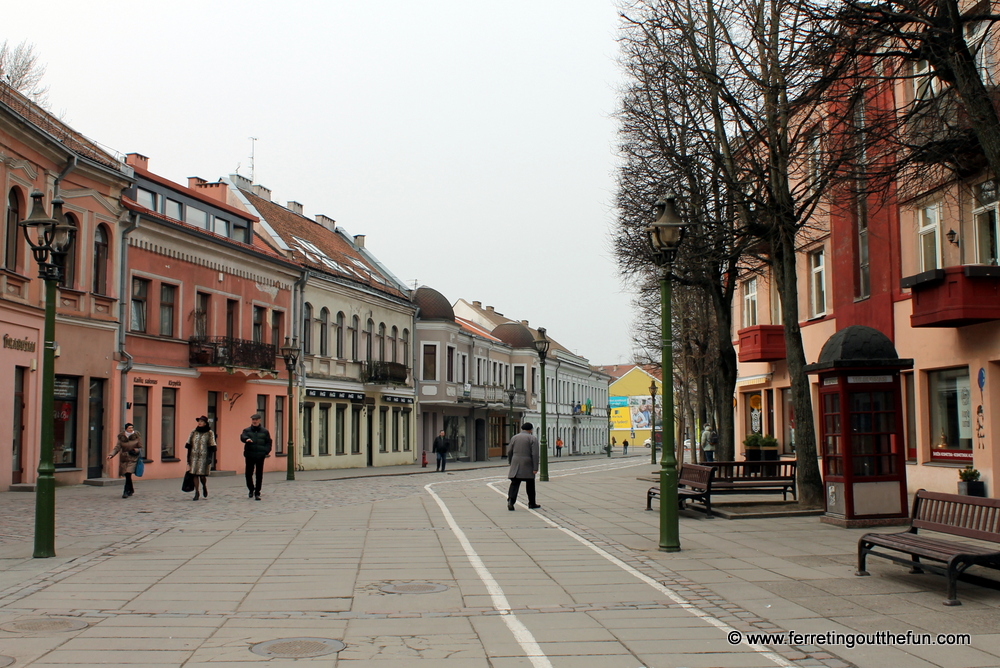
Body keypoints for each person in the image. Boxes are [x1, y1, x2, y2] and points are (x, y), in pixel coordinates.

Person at [507, 423, 540, 510]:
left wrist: (511, 462)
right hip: (527, 464)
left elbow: (509, 451)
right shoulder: (532, 438)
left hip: (516, 462)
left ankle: (511, 501)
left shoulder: (514, 437)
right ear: (531, 430)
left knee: (514, 484)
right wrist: (535, 467)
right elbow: (535, 454)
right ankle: (532, 503)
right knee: (530, 485)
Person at [242, 413, 272, 500]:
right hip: (249, 454)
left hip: (260, 455)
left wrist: (266, 451)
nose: (254, 421)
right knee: (248, 474)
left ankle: (257, 492)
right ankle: (251, 489)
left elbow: (268, 442)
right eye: (253, 420)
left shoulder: (264, 431)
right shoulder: (247, 430)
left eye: (256, 420)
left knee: (259, 474)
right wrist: (246, 439)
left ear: (259, 420)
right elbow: (243, 436)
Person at [185, 416, 216, 501]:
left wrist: (210, 457)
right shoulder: (194, 432)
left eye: (202, 421)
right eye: (199, 421)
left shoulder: (209, 433)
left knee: (202, 475)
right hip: (194, 456)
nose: (199, 422)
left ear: (205, 423)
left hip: (204, 456)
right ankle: (196, 492)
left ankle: (204, 486)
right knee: (194, 474)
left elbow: (211, 446)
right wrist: (188, 458)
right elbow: (189, 445)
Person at [108, 422, 142, 499]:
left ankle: (125, 491)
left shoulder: (136, 437)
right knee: (127, 475)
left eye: (132, 428)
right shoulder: (122, 438)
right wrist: (111, 455)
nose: (131, 429)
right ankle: (131, 489)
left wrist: (136, 450)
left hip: (133, 458)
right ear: (126, 429)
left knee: (128, 473)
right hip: (124, 458)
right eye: (130, 428)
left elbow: (140, 447)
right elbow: (117, 448)